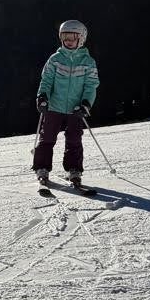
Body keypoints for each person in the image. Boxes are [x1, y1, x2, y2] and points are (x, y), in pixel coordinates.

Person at [33, 19, 100, 188]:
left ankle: (74, 170)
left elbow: (91, 85)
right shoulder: (55, 59)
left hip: (75, 109)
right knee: (47, 138)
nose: (68, 41)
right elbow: (46, 80)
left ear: (81, 39)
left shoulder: (88, 62)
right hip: (54, 106)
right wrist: (42, 97)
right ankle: (42, 169)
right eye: (65, 37)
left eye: (72, 38)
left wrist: (86, 104)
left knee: (74, 140)